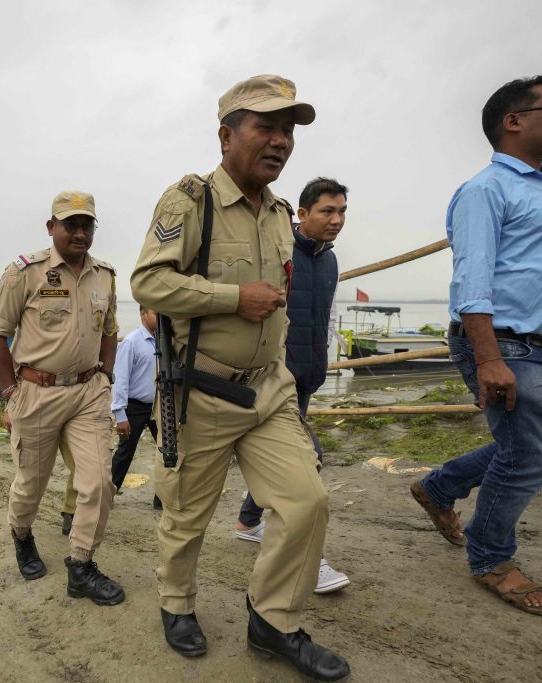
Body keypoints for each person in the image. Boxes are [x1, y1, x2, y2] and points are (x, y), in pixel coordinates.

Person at [131, 75, 348, 680]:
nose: (280, 141)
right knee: (186, 515)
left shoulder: (282, 212)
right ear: (227, 135)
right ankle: (177, 605)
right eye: (266, 127)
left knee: (307, 503)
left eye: (289, 131)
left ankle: (272, 622)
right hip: (201, 390)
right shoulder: (189, 200)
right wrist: (230, 297)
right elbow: (148, 283)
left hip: (269, 388)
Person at [410, 74, 542, 618]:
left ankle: (440, 489)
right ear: (514, 121)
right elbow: (473, 279)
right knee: (529, 456)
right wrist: (488, 358)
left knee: (538, 451)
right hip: (502, 343)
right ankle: (491, 559)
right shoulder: (487, 189)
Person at [0, 190, 124, 606]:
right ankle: (22, 534)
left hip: (87, 394)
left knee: (99, 481)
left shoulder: (105, 275)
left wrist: (106, 375)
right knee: (31, 483)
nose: (80, 232)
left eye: (87, 225)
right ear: (52, 228)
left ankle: (80, 565)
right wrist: (11, 391)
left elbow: (111, 329)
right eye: (71, 225)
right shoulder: (23, 273)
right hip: (36, 393)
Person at [233, 178, 351, 596]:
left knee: (285, 460)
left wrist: (320, 365)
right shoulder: (281, 254)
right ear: (301, 214)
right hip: (274, 378)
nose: (336, 220)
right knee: (306, 463)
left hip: (306, 377)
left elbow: (323, 320)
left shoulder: (330, 261)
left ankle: (249, 521)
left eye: (341, 212)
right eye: (326, 211)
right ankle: (306, 559)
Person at [110, 306, 161, 509]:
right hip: (135, 406)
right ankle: (107, 494)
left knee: (167, 451)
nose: (160, 317)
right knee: (125, 451)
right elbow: (121, 379)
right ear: (143, 315)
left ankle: (162, 498)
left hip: (158, 405)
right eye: (156, 313)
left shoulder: (164, 341)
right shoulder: (132, 342)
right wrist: (120, 414)